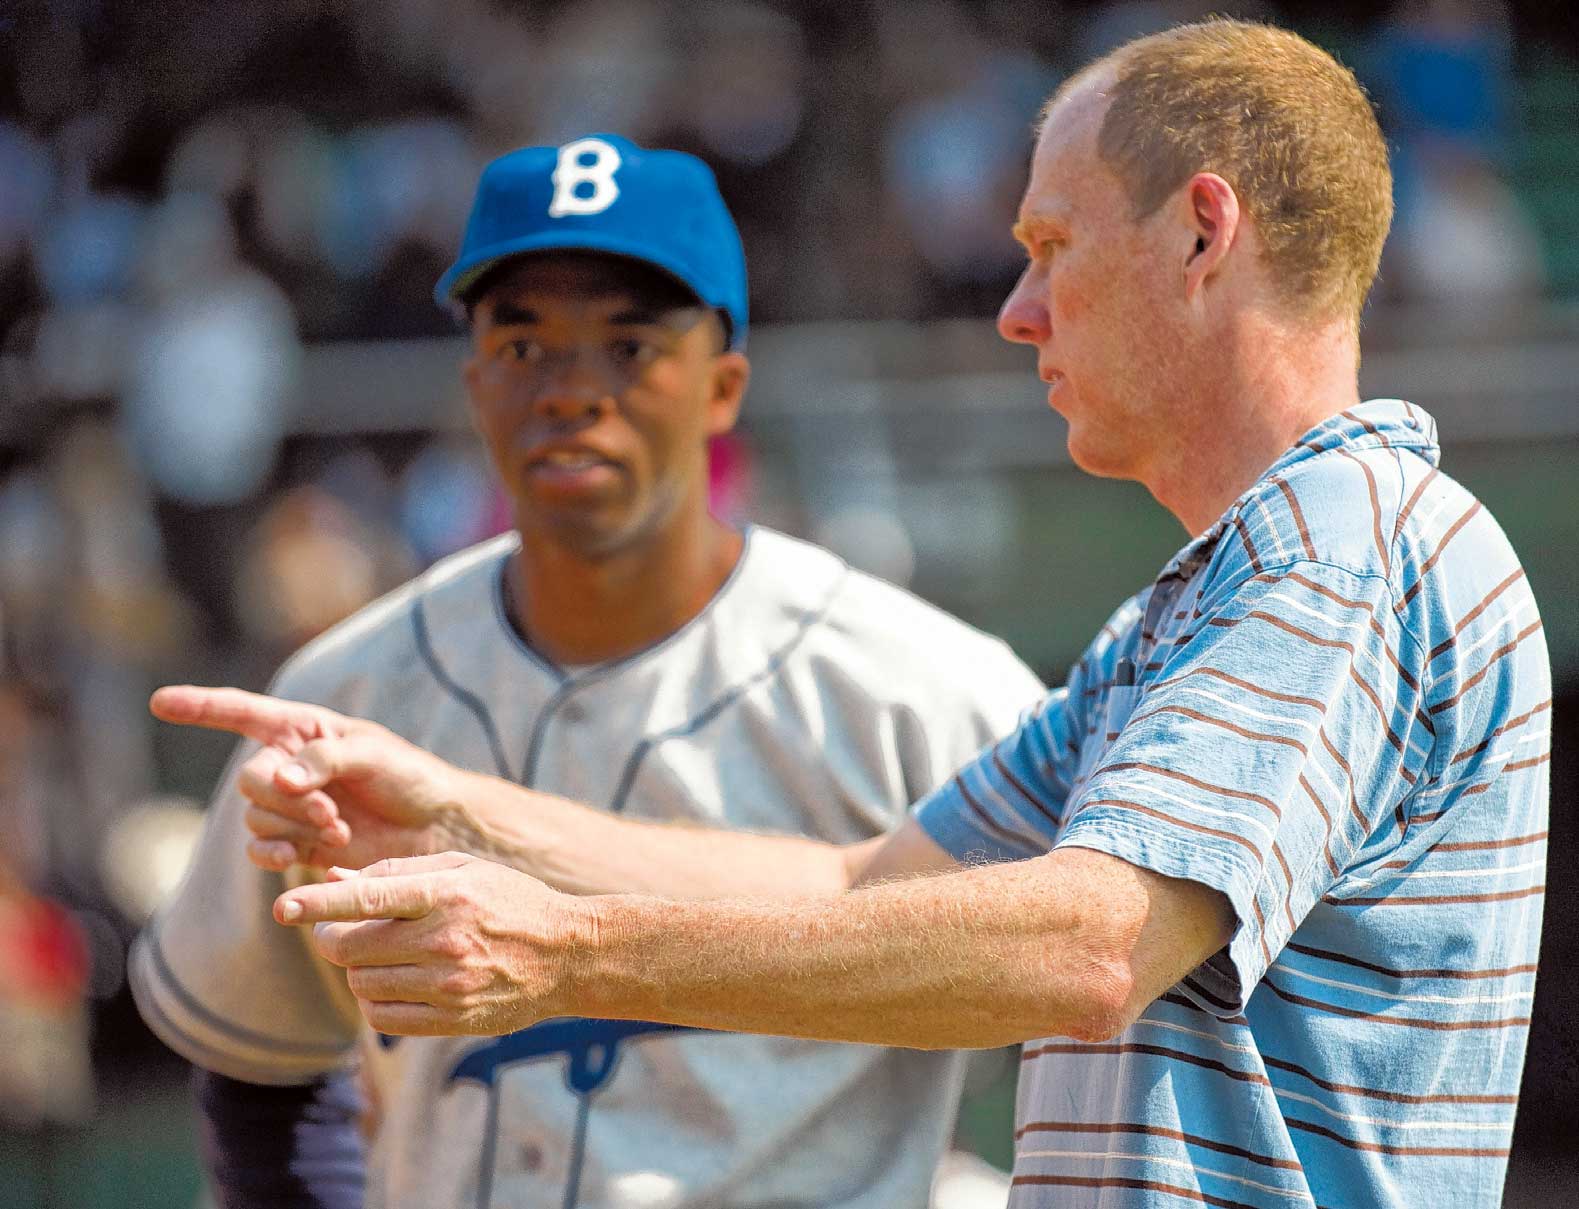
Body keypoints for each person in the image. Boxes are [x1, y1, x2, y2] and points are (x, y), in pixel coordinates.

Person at [157, 19, 1551, 1208]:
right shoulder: (1193, 603)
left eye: (1049, 244)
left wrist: (557, 950)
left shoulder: (1342, 541)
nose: (1014, 310)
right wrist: (463, 810)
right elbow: (862, 885)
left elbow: (1086, 947)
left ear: (1200, 231)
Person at [130, 134, 1046, 1209]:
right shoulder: (347, 692)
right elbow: (262, 1068)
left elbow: (1082, 1027)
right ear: (473, 381)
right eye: (523, 347)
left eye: (628, 347)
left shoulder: (924, 694)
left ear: (722, 385)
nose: (571, 391)